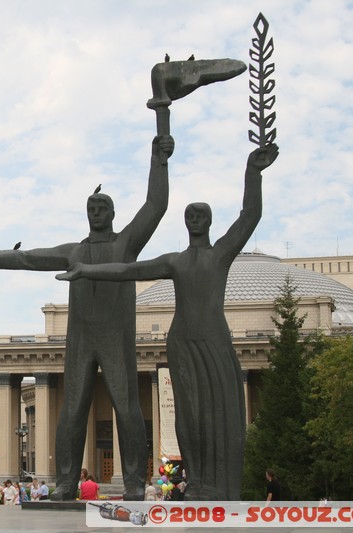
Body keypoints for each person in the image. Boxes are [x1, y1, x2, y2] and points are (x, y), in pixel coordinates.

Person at [0, 135, 175, 501]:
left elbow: (156, 204)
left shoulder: (125, 244)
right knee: (71, 411)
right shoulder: (75, 252)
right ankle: (67, 482)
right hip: (81, 340)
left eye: (102, 207)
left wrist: (159, 160)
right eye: (91, 207)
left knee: (127, 408)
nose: (96, 212)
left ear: (113, 214)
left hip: (115, 338)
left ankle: (135, 483)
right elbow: (28, 258)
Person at [58, 143, 279, 500]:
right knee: (188, 416)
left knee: (220, 411)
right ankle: (199, 482)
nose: (194, 219)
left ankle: (217, 484)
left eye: (200, 215)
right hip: (181, 342)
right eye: (189, 215)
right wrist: (86, 269)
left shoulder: (220, 254)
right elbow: (128, 270)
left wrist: (253, 174)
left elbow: (248, 216)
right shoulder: (174, 260)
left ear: (210, 221)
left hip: (213, 340)